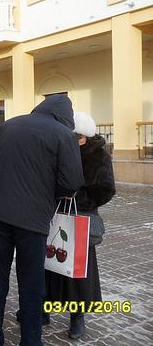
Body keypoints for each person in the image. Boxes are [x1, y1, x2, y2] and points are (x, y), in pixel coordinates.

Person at [0, 94, 84, 346]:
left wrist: (11, 177)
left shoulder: (9, 125)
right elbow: (71, 183)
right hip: (32, 219)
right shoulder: (64, 135)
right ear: (66, 116)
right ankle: (30, 340)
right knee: (31, 283)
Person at [44, 112, 115, 340]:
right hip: (57, 215)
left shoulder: (98, 155)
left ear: (84, 135)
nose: (71, 141)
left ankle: (78, 316)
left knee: (78, 271)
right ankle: (47, 308)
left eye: (76, 137)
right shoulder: (59, 151)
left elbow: (105, 189)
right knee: (52, 265)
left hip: (81, 218)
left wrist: (79, 198)